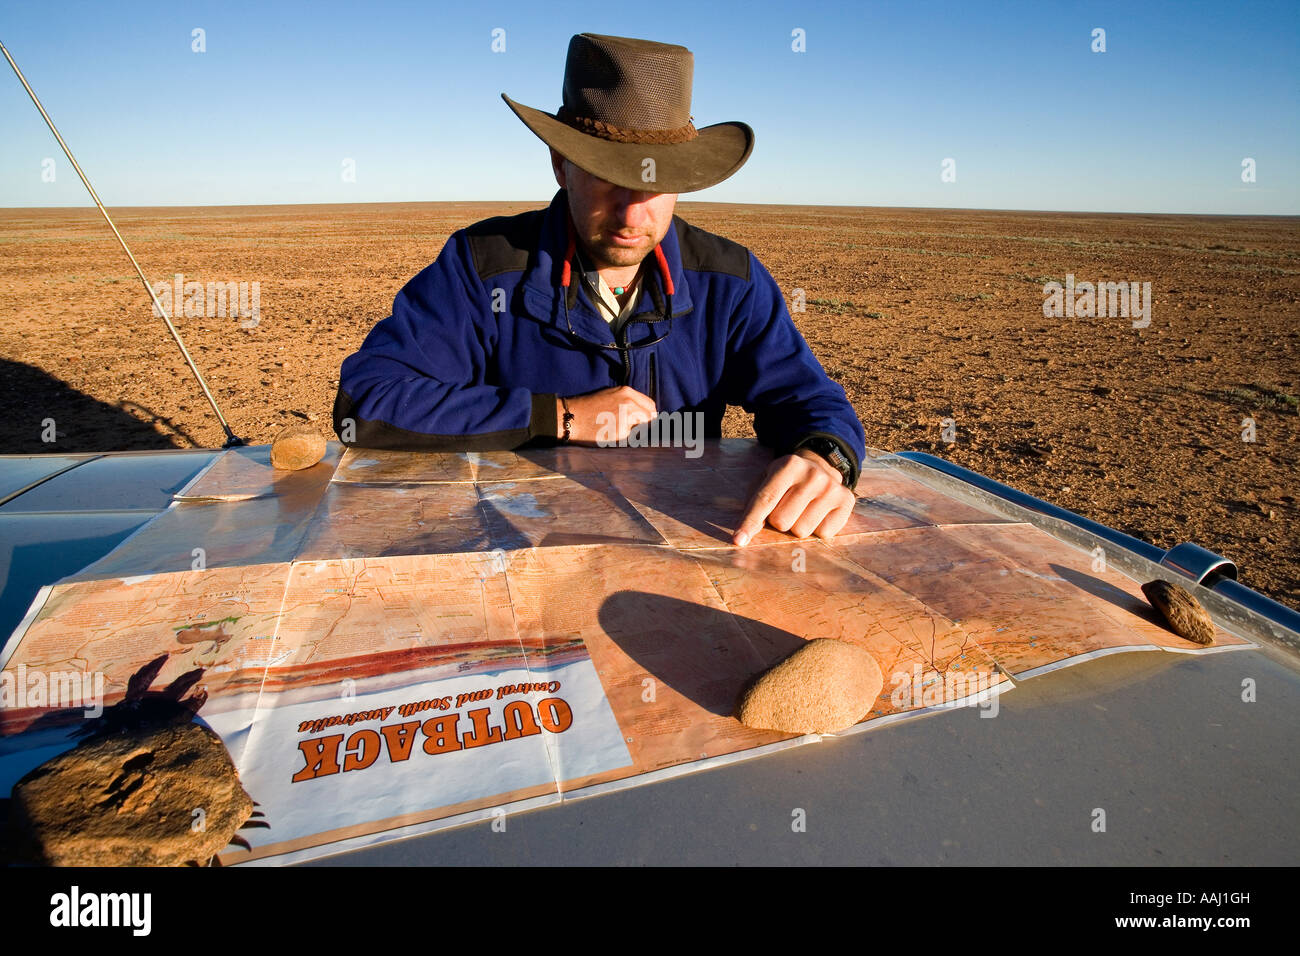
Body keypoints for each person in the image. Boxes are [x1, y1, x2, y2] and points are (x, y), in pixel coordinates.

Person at [334, 32, 866, 546]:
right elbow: (369, 399)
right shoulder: (484, 265)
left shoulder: (731, 281)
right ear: (561, 165)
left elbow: (811, 400)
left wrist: (825, 458)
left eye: (655, 185)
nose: (632, 214)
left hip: (684, 552)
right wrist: (558, 416)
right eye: (609, 179)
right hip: (517, 549)